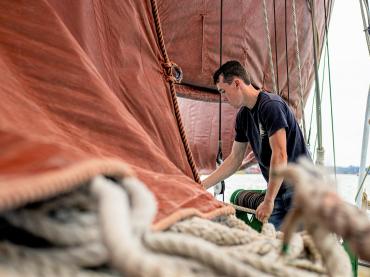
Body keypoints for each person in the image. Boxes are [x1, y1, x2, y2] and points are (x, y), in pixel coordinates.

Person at [202, 60, 311, 229]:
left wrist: (268, 201)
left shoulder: (271, 106)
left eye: (223, 91)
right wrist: (202, 186)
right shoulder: (243, 117)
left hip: (301, 187)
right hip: (278, 190)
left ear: (237, 83)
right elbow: (235, 159)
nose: (224, 97)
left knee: (299, 247)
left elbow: (280, 155)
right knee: (275, 245)